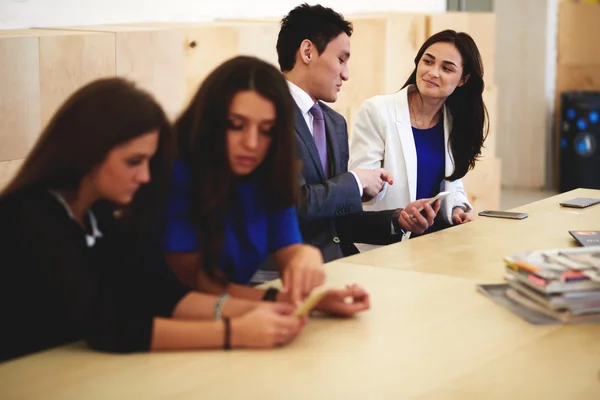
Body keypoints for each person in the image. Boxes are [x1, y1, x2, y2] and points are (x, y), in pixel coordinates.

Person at [0, 78, 305, 363]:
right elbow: (109, 327)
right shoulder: (28, 218)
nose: (145, 176)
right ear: (89, 152)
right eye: (134, 162)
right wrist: (235, 332)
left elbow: (161, 292)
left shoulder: (99, 214)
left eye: (149, 161)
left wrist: (272, 307)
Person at [164, 55, 370, 316]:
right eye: (236, 125)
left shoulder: (269, 174)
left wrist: (306, 266)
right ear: (211, 122)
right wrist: (288, 303)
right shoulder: (177, 174)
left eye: (266, 130)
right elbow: (197, 287)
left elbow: (288, 252)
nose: (251, 143)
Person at [273, 3, 439, 262]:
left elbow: (339, 225)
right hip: (280, 274)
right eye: (341, 59)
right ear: (307, 52)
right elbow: (291, 206)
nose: (346, 74)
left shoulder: (335, 123)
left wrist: (399, 219)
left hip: (338, 266)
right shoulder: (265, 116)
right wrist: (356, 182)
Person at [349, 30, 489, 237]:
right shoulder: (377, 110)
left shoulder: (454, 120)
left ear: (463, 80)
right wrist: (401, 216)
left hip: (436, 240)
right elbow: (363, 190)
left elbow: (453, 183)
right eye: (428, 61)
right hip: (389, 241)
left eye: (447, 68)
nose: (433, 72)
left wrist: (457, 210)